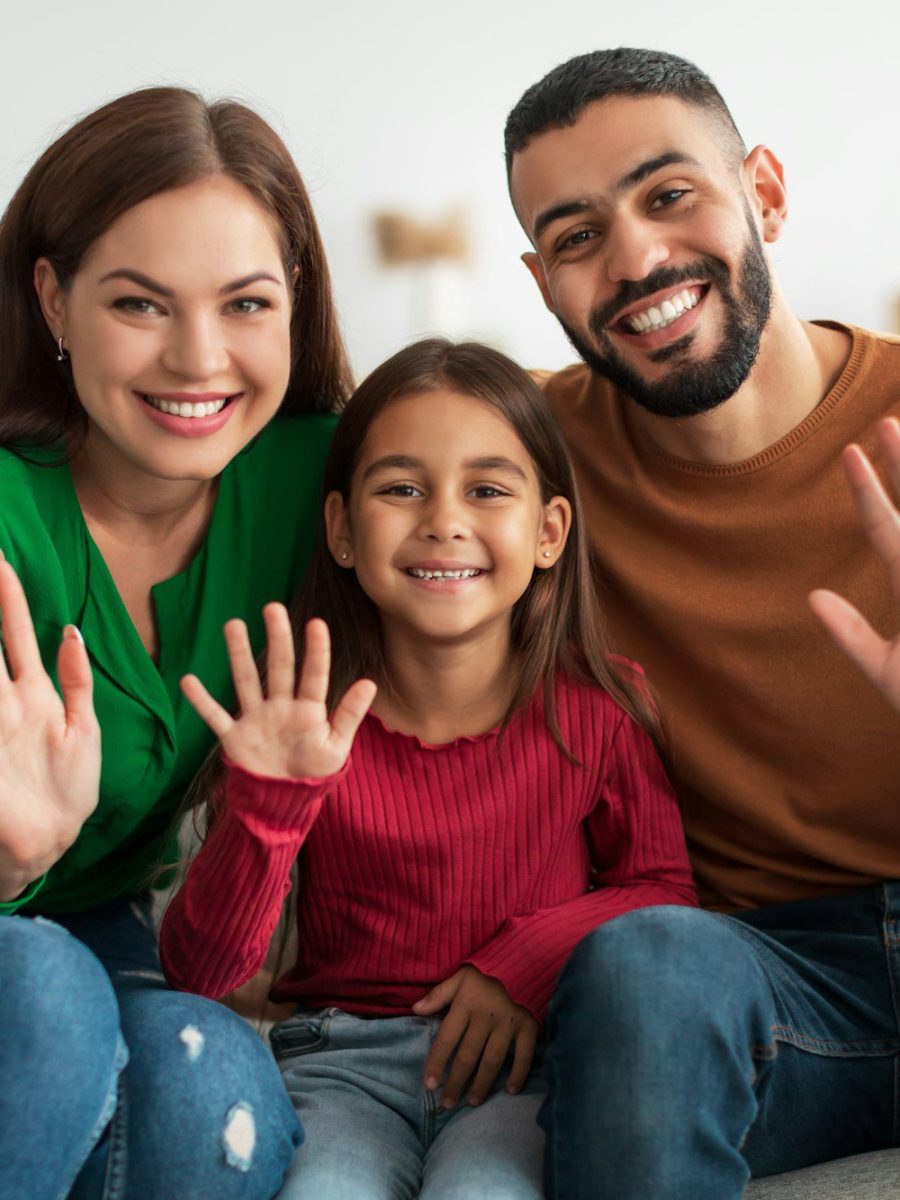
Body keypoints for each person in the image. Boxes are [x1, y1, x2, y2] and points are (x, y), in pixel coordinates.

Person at [158, 337, 697, 1200]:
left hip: (521, 1068)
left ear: (549, 532)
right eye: (402, 489)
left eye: (487, 490)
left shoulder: (600, 708)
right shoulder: (301, 722)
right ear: (342, 529)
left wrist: (521, 962)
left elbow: (663, 894)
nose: (444, 520)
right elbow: (199, 974)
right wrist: (269, 809)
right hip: (339, 1067)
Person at [503, 46, 900, 1199]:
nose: (637, 260)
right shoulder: (522, 468)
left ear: (763, 192)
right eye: (578, 237)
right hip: (764, 980)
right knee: (645, 966)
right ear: (543, 282)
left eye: (670, 195)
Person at [0, 86, 352, 1199]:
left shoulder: (326, 480)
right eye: (140, 304)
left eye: (245, 303)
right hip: (31, 961)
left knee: (212, 1087)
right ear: (52, 301)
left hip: (101, 931)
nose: (200, 359)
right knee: (45, 999)